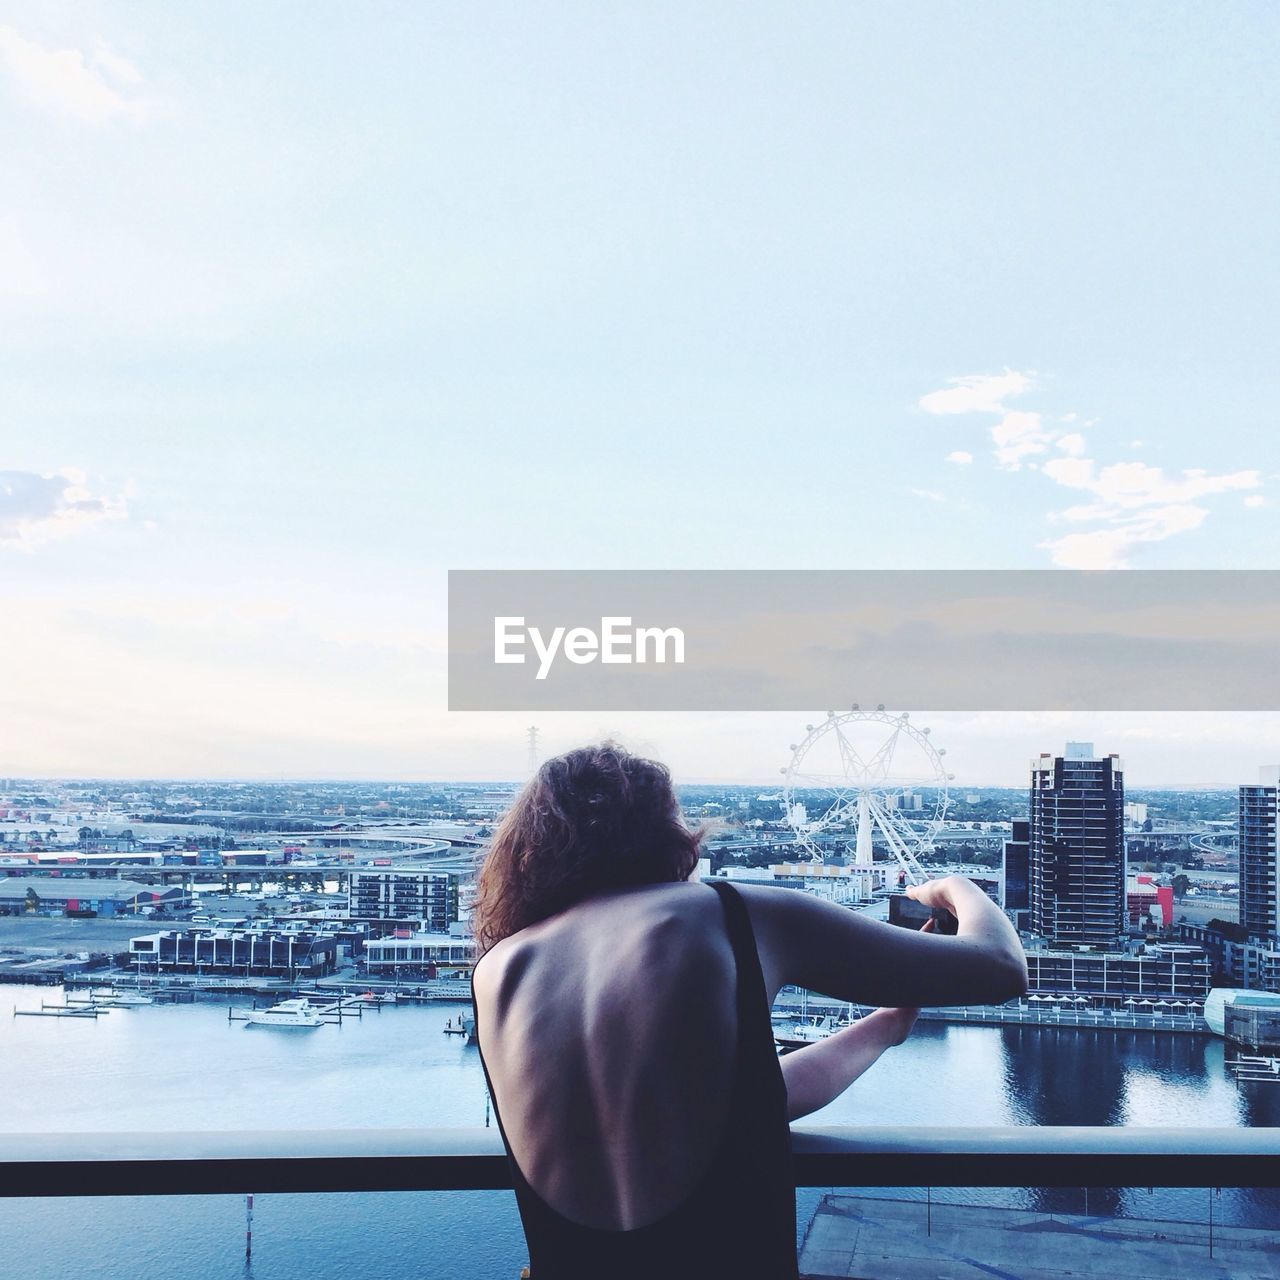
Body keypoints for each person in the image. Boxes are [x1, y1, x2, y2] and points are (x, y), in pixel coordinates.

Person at [471, 742, 1028, 1279]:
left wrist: (886, 1025)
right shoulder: (730, 914)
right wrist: (956, 888)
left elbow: (741, 1102)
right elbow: (999, 967)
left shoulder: (499, 969)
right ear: (668, 832)